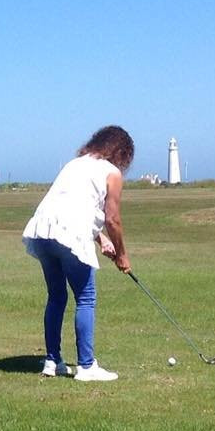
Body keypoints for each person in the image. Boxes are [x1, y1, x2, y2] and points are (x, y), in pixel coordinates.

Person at [22, 125, 134, 382]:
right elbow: (113, 219)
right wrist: (122, 255)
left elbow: (74, 204)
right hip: (67, 233)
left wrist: (100, 239)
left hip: (42, 232)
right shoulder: (112, 172)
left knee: (57, 296)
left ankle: (52, 361)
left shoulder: (75, 164)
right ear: (121, 152)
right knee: (85, 297)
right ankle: (86, 366)